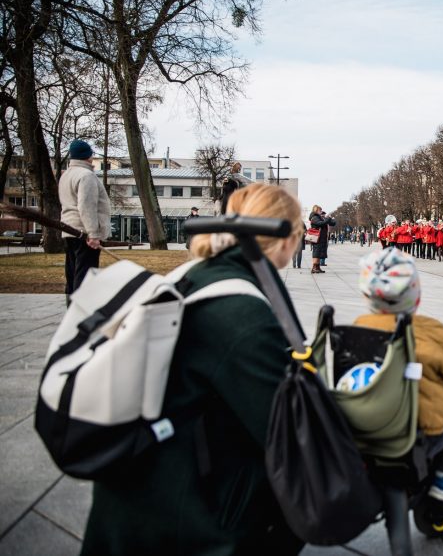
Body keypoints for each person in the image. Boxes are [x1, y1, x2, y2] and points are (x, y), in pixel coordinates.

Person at [80, 184, 305, 556]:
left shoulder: (196, 273)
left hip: (131, 489)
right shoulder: (243, 312)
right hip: (180, 511)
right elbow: (282, 429)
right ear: (285, 239)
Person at [354, 248, 443, 503]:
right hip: (416, 427)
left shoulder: (358, 326)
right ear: (415, 296)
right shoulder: (427, 330)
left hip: (366, 422)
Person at [59, 139, 111, 302]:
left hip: (70, 230)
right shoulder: (86, 176)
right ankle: (80, 312)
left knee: (73, 273)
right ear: (87, 156)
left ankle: (72, 309)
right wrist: (94, 234)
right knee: (85, 276)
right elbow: (86, 206)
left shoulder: (66, 175)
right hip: (84, 233)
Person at [308, 205, 336, 273]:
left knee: (319, 253)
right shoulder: (314, 217)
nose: (321, 211)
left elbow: (331, 223)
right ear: (316, 210)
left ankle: (317, 267)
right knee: (316, 253)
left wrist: (332, 220)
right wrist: (327, 219)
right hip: (316, 238)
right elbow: (320, 223)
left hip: (321, 238)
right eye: (320, 210)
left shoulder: (320, 217)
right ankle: (314, 267)